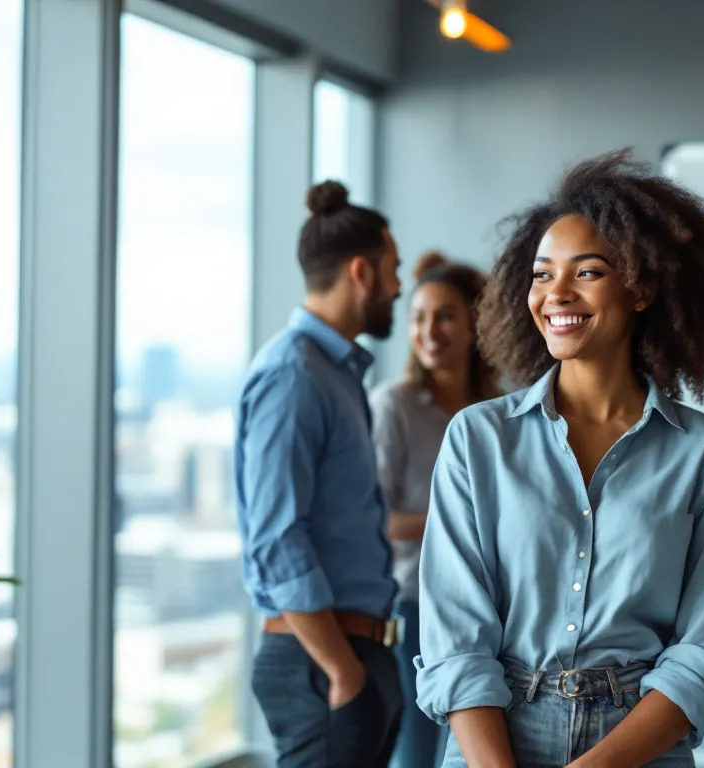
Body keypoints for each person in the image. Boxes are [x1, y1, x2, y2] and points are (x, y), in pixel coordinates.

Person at [415, 150, 704, 768]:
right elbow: (456, 638)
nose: (556, 293)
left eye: (588, 272)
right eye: (541, 274)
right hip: (492, 738)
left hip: (640, 743)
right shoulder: (478, 438)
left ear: (641, 288)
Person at [235, 180, 405, 767]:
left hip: (355, 653)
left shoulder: (336, 374)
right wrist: (342, 670)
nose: (398, 286)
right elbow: (276, 537)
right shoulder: (295, 375)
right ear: (361, 272)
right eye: (392, 271)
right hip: (323, 662)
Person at [370, 252, 502, 768]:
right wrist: (463, 522)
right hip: (415, 605)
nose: (430, 331)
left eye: (445, 316)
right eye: (419, 317)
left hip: (493, 605)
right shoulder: (394, 406)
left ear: (474, 325)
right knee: (420, 754)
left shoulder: (500, 412)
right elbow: (378, 520)